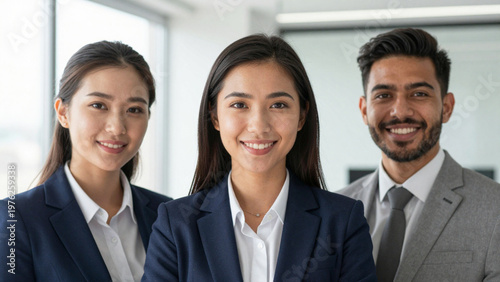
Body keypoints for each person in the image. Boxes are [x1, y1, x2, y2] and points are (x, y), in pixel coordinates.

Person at [141, 34, 376, 282]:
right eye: (240, 104)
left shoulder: (342, 221)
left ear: (302, 116)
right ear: (215, 116)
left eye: (278, 105)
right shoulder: (175, 225)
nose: (259, 126)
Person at [0, 41, 172, 281]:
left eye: (134, 110)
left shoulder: (169, 216)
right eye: (98, 105)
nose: (117, 127)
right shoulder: (14, 221)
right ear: (63, 112)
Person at [338, 28, 500, 282]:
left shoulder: (494, 209)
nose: (400, 111)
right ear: (364, 109)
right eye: (383, 95)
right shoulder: (335, 210)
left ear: (446, 107)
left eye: (419, 94)